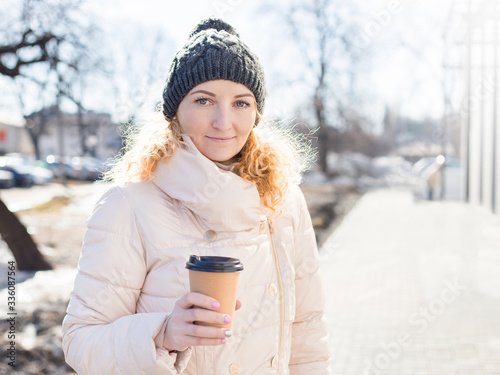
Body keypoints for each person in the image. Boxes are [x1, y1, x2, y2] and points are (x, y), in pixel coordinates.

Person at [62, 18, 331, 375]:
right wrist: (163, 335)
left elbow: (307, 331)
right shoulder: (128, 205)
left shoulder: (282, 200)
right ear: (175, 111)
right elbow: (81, 341)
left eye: (241, 103)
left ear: (257, 112)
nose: (224, 122)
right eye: (204, 100)